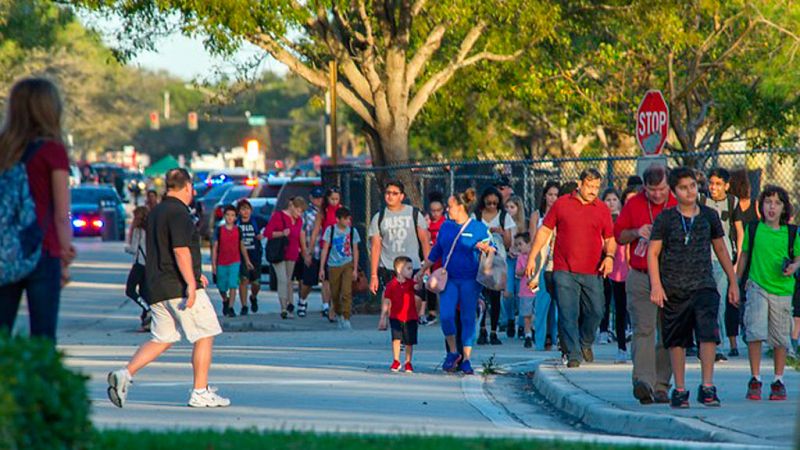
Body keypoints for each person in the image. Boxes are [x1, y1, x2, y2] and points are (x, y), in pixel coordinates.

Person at [106, 168, 229, 408]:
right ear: (186, 187)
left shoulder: (157, 212)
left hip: (156, 286)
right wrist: (191, 284)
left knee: (162, 337)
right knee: (205, 334)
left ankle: (125, 374)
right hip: (178, 287)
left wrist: (196, 274)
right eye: (191, 188)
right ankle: (200, 391)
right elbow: (180, 250)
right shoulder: (179, 213)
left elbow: (165, 249)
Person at [648, 167, 738, 409]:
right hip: (674, 288)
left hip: (704, 285)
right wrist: (656, 285)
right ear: (674, 192)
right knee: (677, 341)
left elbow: (721, 249)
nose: (689, 191)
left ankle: (707, 386)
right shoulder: (665, 219)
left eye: (692, 186)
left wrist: (733, 281)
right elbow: (653, 252)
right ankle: (679, 388)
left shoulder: (709, 215)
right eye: (683, 188)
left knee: (708, 334)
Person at [0, 78, 75, 341]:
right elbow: (61, 213)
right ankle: (39, 382)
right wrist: (65, 254)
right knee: (43, 338)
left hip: (5, 249)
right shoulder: (53, 151)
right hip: (43, 250)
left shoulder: (3, 149)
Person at [526, 169, 616, 368]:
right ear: (580, 183)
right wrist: (532, 257)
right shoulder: (562, 203)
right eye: (589, 186)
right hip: (563, 269)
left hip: (592, 271)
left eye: (596, 187)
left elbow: (610, 239)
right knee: (568, 313)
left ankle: (585, 342)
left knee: (596, 311)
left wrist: (609, 257)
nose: (593, 191)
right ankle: (573, 353)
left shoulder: (601, 208)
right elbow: (544, 232)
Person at [416, 188, 494, 375]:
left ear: (460, 207)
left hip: (470, 281)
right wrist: (422, 270)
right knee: (446, 316)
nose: (447, 210)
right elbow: (436, 252)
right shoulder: (446, 227)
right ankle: (453, 352)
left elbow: (491, 251)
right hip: (449, 279)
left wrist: (486, 250)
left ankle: (466, 358)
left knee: (467, 318)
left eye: (450, 206)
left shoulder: (478, 228)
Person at [615, 165, 676, 404]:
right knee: (643, 329)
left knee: (668, 332)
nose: (657, 195)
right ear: (644, 187)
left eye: (661, 189)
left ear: (668, 185)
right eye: (652, 190)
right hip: (640, 275)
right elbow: (619, 235)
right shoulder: (634, 204)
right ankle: (644, 382)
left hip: (670, 275)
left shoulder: (677, 201)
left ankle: (662, 384)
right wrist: (636, 232)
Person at [737, 186, 798, 401]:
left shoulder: (792, 232)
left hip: (782, 289)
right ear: (760, 206)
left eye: (777, 203)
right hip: (757, 285)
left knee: (780, 336)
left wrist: (793, 266)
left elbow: (798, 257)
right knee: (755, 331)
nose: (772, 207)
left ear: (784, 208)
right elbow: (744, 254)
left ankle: (778, 379)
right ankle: (755, 377)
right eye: (768, 202)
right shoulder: (753, 228)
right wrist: (737, 280)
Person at [702, 168, 744, 361]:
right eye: (711, 183)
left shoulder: (732, 202)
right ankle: (702, 341)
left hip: (723, 258)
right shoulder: (702, 201)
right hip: (703, 258)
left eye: (718, 184)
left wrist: (736, 262)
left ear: (726, 186)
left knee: (719, 302)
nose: (714, 187)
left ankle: (718, 344)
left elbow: (739, 231)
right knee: (703, 302)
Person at [368, 180, 430, 299]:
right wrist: (374, 275)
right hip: (389, 266)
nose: (390, 196)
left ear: (402, 196)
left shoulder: (414, 214)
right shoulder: (378, 217)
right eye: (388, 193)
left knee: (415, 299)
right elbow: (376, 247)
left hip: (413, 265)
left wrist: (427, 268)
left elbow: (425, 242)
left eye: (394, 193)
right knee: (390, 300)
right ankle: (387, 318)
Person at [474, 187, 515, 345]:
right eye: (488, 203)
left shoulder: (504, 217)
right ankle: (482, 328)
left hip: (498, 260)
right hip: (480, 259)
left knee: (495, 297)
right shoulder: (476, 217)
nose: (491, 206)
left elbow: (508, 243)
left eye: (495, 203)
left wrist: (501, 231)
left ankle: (493, 331)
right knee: (481, 296)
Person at [728, 168, 757, 356]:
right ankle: (748, 329)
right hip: (754, 256)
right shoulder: (753, 205)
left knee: (734, 298)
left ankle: (733, 343)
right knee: (750, 295)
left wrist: (737, 263)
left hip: (738, 255)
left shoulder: (734, 206)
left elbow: (739, 237)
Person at [265, 196, 308, 319]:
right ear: (292, 207)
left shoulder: (299, 221)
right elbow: (267, 233)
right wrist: (281, 233)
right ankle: (283, 308)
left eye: (302, 212)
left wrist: (304, 250)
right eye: (298, 210)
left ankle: (290, 304)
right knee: (282, 279)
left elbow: (299, 235)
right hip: (278, 253)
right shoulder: (278, 216)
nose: (299, 214)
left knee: (289, 280)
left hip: (292, 253)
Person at [530, 181, 561, 352]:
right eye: (550, 194)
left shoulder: (563, 212)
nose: (552, 198)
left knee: (557, 304)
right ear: (544, 196)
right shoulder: (538, 215)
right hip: (541, 262)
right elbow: (534, 238)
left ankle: (555, 338)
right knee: (542, 302)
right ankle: (540, 339)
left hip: (557, 261)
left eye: (556, 195)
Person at [319, 207, 360, 329]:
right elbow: (325, 249)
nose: (348, 221)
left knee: (346, 292)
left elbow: (356, 250)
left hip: (347, 263)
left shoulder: (352, 231)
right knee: (335, 293)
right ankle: (338, 313)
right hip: (333, 265)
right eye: (345, 219)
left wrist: (355, 268)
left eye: (349, 218)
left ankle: (346, 317)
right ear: (338, 219)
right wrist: (321, 268)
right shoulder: (330, 230)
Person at [378, 256, 419, 373]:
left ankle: (408, 361)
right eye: (409, 268)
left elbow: (418, 287)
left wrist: (420, 280)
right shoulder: (391, 285)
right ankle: (396, 360)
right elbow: (387, 301)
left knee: (409, 341)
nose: (411, 271)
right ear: (399, 269)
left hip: (410, 316)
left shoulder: (411, 283)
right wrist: (383, 317)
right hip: (395, 316)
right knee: (396, 339)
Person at [212, 206, 253, 317]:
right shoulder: (219, 230)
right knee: (221, 287)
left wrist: (247, 260)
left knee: (233, 284)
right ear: (224, 216)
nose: (230, 218)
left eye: (232, 215)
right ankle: (225, 300)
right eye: (228, 215)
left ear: (235, 217)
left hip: (235, 261)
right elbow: (215, 248)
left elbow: (241, 246)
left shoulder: (238, 230)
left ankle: (230, 307)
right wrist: (214, 265)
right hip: (222, 262)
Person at [310, 187, 341, 320]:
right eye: (332, 199)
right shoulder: (323, 212)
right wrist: (309, 249)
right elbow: (316, 231)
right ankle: (326, 305)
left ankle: (335, 307)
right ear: (327, 199)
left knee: (338, 279)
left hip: (339, 248)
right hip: (327, 248)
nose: (334, 201)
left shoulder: (342, 210)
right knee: (327, 280)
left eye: (337, 199)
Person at [599, 188, 623, 346]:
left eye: (614, 199)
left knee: (621, 301)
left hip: (621, 264)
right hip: (604, 261)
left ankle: (622, 329)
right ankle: (603, 330)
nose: (611, 203)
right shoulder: (602, 218)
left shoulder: (623, 218)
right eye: (608, 200)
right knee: (604, 298)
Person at [298, 187, 325, 318]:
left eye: (320, 197)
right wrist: (305, 252)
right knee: (308, 281)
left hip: (325, 251)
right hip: (312, 251)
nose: (318, 200)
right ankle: (302, 301)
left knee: (327, 281)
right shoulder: (306, 214)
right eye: (316, 197)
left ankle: (326, 305)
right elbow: (302, 233)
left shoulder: (326, 212)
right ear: (311, 198)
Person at [125, 206, 152, 331]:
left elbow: (134, 249)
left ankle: (148, 309)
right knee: (144, 292)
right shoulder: (151, 229)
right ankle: (146, 319)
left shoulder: (138, 230)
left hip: (139, 263)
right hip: (149, 264)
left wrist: (126, 247)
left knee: (130, 290)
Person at [422, 191, 447, 325]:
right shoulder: (426, 223)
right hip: (430, 258)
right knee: (430, 285)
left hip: (442, 259)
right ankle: (431, 312)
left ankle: (446, 310)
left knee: (444, 285)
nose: (435, 213)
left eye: (438, 210)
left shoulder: (446, 223)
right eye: (433, 211)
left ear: (443, 210)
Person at [504, 195, 527, 338]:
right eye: (507, 207)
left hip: (521, 259)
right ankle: (510, 319)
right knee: (508, 293)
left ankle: (522, 324)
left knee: (521, 292)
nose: (509, 210)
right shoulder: (505, 223)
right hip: (508, 259)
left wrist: (519, 251)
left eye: (512, 207)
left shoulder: (523, 224)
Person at [236, 199, 264, 314]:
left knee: (256, 283)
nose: (245, 211)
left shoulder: (256, 221)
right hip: (240, 256)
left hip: (255, 255)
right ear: (239, 211)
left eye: (247, 209)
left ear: (251, 211)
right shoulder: (236, 223)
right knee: (244, 280)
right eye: (243, 209)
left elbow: (270, 225)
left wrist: (262, 234)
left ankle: (253, 297)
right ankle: (244, 306)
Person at [514, 232, 538, 348]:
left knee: (536, 312)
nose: (519, 247)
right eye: (517, 245)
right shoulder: (520, 258)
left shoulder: (536, 256)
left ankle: (535, 330)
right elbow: (517, 272)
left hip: (535, 289)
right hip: (525, 290)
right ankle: (527, 334)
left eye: (521, 244)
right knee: (526, 314)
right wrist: (524, 268)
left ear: (529, 244)